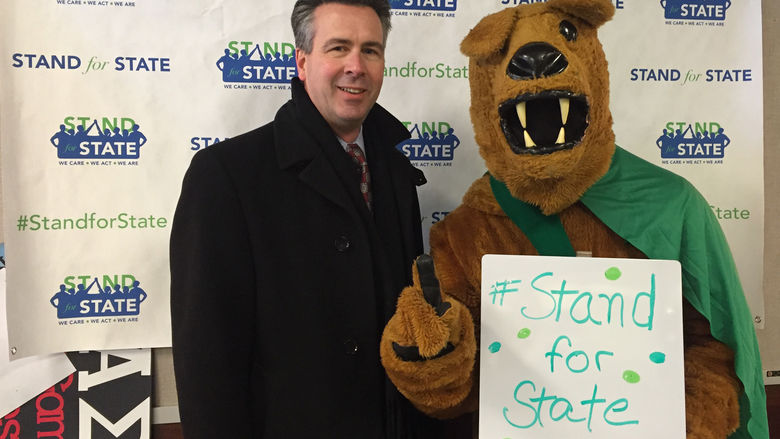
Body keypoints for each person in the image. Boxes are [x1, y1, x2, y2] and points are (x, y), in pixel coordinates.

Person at [169, 1, 443, 438]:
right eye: (338, 48)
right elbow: (207, 360)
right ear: (302, 61)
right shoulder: (225, 175)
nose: (356, 66)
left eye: (371, 50)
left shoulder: (396, 172)